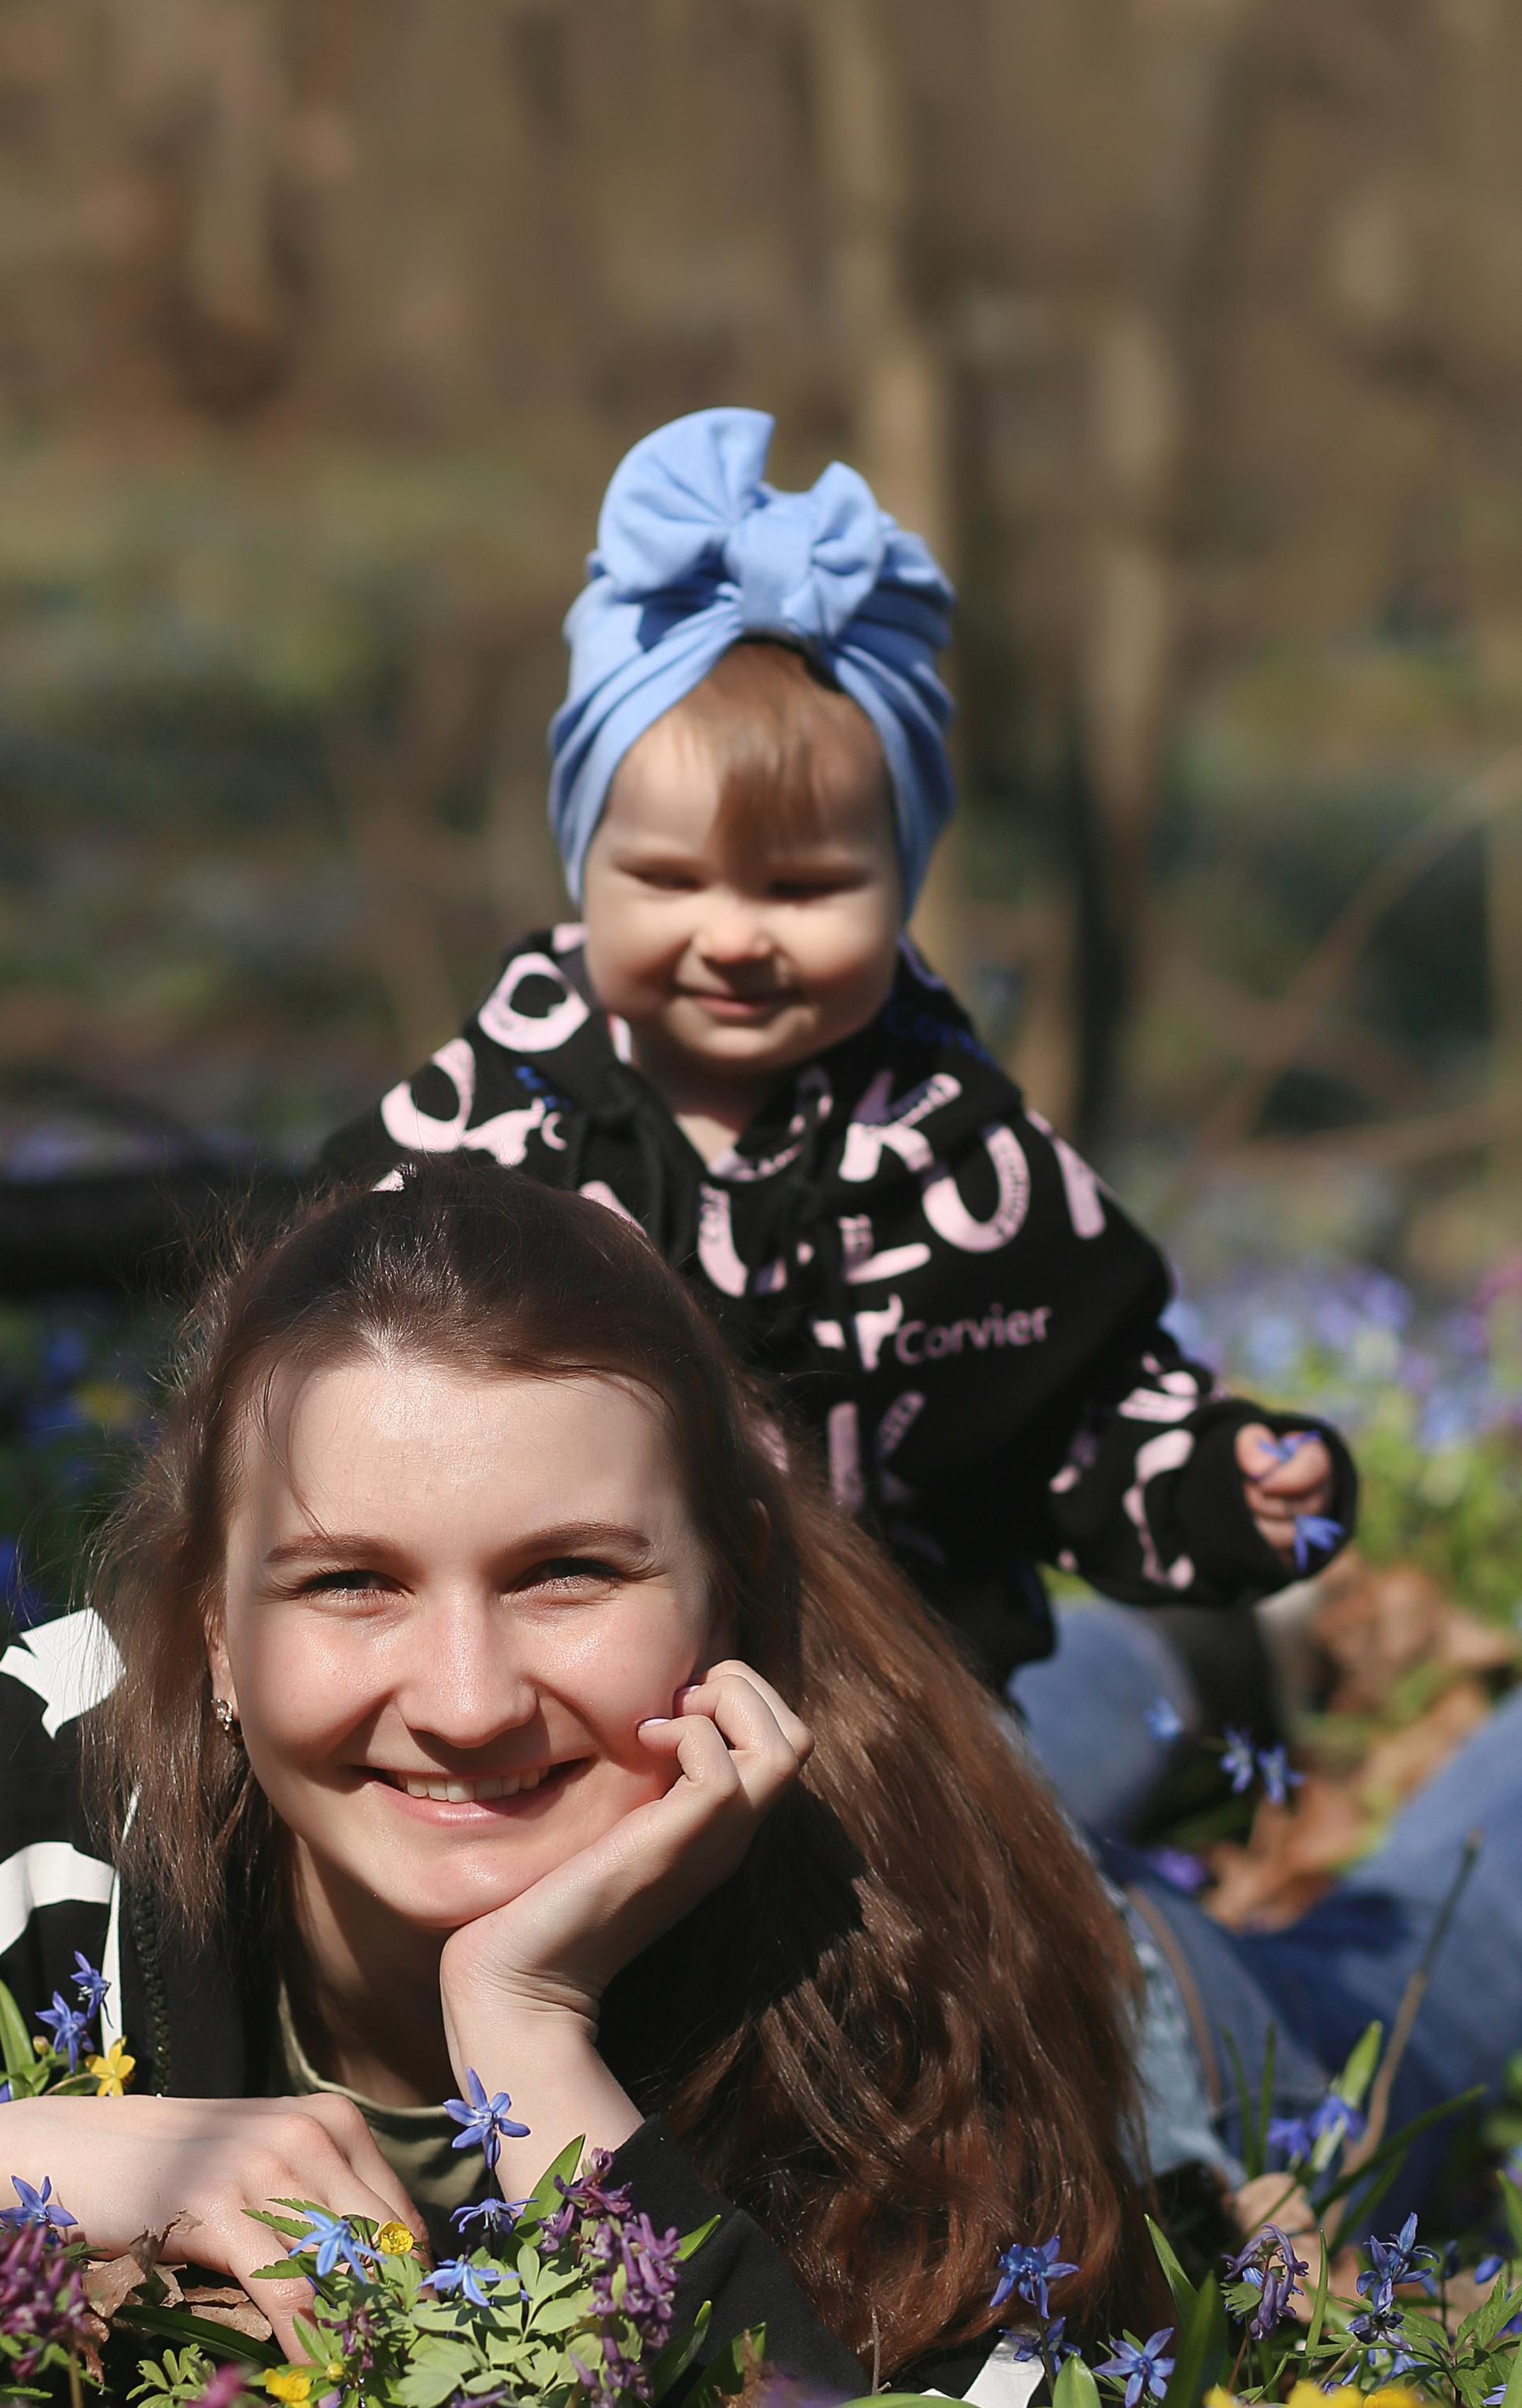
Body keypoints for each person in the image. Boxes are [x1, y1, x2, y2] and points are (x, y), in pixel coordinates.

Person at [0, 1164, 1155, 2399]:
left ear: (730, 1588)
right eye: (352, 1584)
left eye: (568, 1574)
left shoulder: (907, 1916)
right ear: (213, 1634)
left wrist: (533, 2042)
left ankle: (1202, 1665)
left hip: (1164, 1989)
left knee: (1305, 1893)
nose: (468, 1703)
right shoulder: (80, 1758)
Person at [320, 408, 1355, 1701]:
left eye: (803, 888)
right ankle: (1203, 1683)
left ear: (902, 883)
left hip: (910, 1729)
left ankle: (1250, 1700)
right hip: (553, 1718)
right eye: (670, 879)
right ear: (584, 869)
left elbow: (1085, 1420)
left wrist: (1225, 1489)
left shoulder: (957, 1158)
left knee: (1080, 1900)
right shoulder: (481, 1133)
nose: (735, 937)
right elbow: (316, 1348)